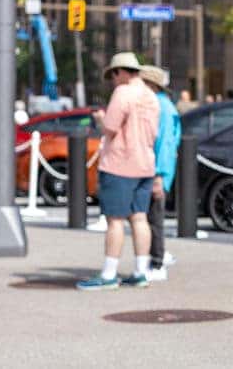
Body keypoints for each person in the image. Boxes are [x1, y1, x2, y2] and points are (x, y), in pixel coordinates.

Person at [76, 52, 160, 291]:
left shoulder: (123, 93)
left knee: (114, 221)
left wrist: (101, 118)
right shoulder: (150, 96)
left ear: (122, 71)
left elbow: (111, 128)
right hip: (145, 163)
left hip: (120, 163)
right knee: (140, 217)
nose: (113, 79)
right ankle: (141, 271)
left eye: (113, 73)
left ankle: (109, 273)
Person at [140, 65, 182, 282]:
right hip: (158, 171)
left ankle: (157, 263)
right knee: (152, 218)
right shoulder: (165, 105)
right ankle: (157, 258)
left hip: (156, 172)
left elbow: (165, 144)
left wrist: (159, 175)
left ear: (151, 85)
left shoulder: (161, 108)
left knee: (154, 219)